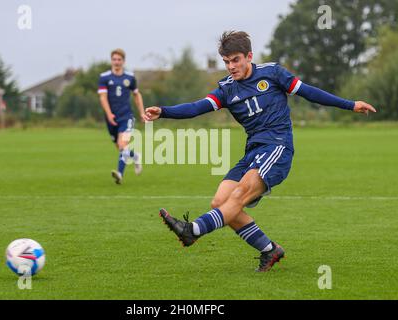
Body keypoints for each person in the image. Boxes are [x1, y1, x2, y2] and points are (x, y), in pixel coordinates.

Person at [144, 31, 376, 272]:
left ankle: (192, 231)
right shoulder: (226, 89)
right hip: (253, 150)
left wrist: (351, 105)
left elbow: (309, 92)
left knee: (237, 197)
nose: (230, 67)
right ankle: (269, 250)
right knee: (221, 202)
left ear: (249, 56)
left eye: (235, 60)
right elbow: (196, 107)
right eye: (226, 62)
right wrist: (164, 111)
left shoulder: (273, 73)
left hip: (277, 146)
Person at [98, 49, 146, 184]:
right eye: (114, 59)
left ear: (123, 61)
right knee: (120, 148)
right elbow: (103, 97)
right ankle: (135, 156)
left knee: (122, 144)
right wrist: (109, 114)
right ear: (111, 61)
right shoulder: (104, 77)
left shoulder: (130, 78)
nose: (117, 62)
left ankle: (119, 174)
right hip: (111, 118)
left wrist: (142, 113)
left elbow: (137, 95)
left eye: (119, 59)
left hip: (126, 116)